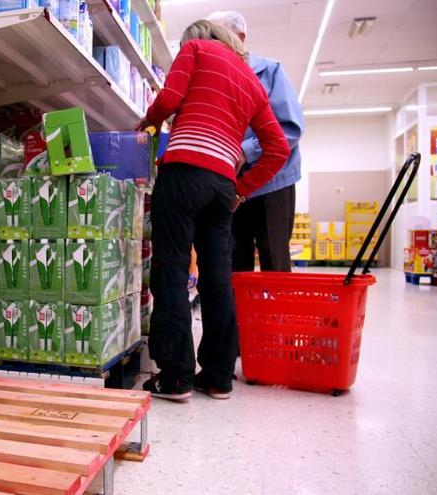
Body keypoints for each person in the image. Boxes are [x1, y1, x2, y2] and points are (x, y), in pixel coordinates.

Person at [136, 20, 290, 401]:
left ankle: (175, 377)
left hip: (185, 170)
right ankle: (219, 376)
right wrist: (242, 190)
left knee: (171, 268)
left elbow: (170, 101)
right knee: (218, 278)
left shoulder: (196, 50)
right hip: (222, 186)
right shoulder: (252, 81)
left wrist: (147, 124)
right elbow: (279, 149)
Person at [208, 10, 305, 273]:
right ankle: (241, 314)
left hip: (274, 182)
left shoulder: (269, 71)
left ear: (239, 37)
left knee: (274, 256)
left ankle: (276, 314)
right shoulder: (214, 78)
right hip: (231, 183)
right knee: (234, 259)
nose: (208, 45)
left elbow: (290, 128)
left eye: (215, 37)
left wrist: (245, 151)